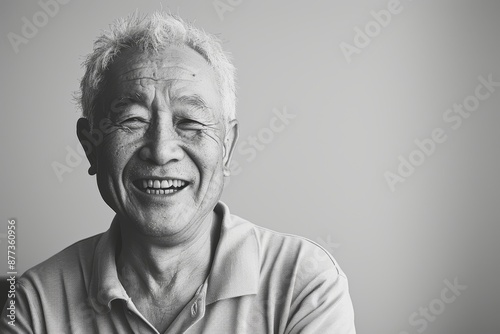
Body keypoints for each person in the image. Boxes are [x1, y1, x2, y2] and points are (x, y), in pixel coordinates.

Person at [0, 11, 356, 333]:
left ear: (228, 146)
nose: (161, 150)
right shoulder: (35, 304)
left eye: (189, 122)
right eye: (132, 121)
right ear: (90, 145)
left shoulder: (304, 284)